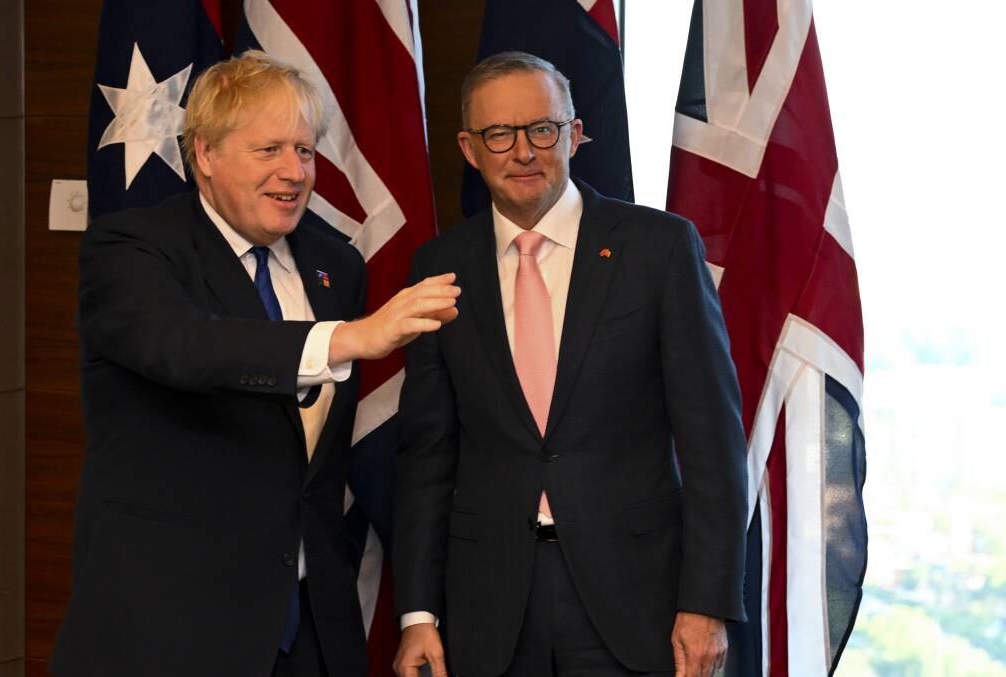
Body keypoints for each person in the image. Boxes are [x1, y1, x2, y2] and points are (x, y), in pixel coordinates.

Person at [50, 51, 459, 677]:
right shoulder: (131, 248)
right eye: (268, 151)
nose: (294, 173)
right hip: (173, 625)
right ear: (206, 154)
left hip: (312, 627)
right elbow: (188, 347)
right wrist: (347, 339)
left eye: (305, 151)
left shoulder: (337, 266)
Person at [392, 51, 747, 677]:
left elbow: (712, 441)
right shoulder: (438, 266)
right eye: (499, 134)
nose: (522, 151)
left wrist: (707, 603)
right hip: (489, 604)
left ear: (575, 135)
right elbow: (427, 453)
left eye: (542, 129)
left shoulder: (657, 247)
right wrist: (417, 614)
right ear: (469, 150)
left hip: (638, 600)